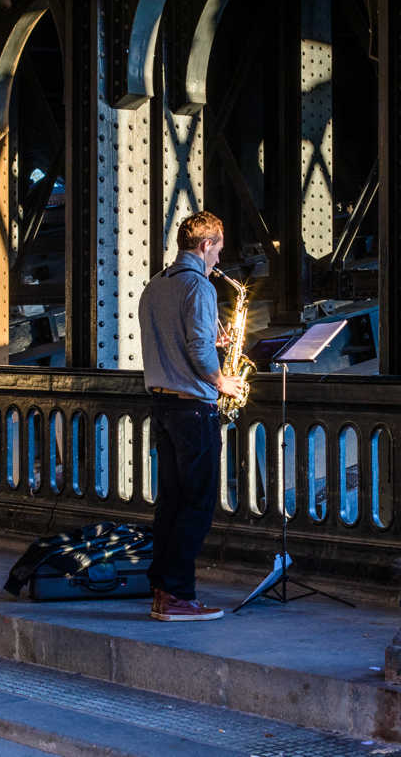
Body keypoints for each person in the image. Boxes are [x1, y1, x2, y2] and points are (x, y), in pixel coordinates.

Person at [137, 211, 244, 622]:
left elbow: (173, 342)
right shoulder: (198, 286)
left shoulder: (156, 284)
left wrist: (206, 341)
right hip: (193, 408)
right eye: (218, 250)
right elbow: (200, 353)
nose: (219, 259)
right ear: (205, 246)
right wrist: (222, 381)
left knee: (170, 502)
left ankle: (161, 591)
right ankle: (179, 596)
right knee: (198, 505)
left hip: (162, 404)